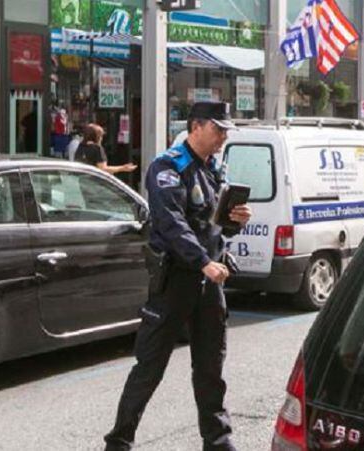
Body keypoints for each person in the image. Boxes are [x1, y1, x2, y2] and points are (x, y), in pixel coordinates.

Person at [104, 102, 252, 451]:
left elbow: (214, 225)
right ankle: (119, 440)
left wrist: (235, 220)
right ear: (196, 127)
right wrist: (203, 261)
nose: (223, 137)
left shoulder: (214, 169)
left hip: (209, 280)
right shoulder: (168, 167)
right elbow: (171, 223)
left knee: (211, 365)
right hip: (176, 280)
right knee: (150, 367)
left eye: (226, 130)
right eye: (218, 129)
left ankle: (218, 439)